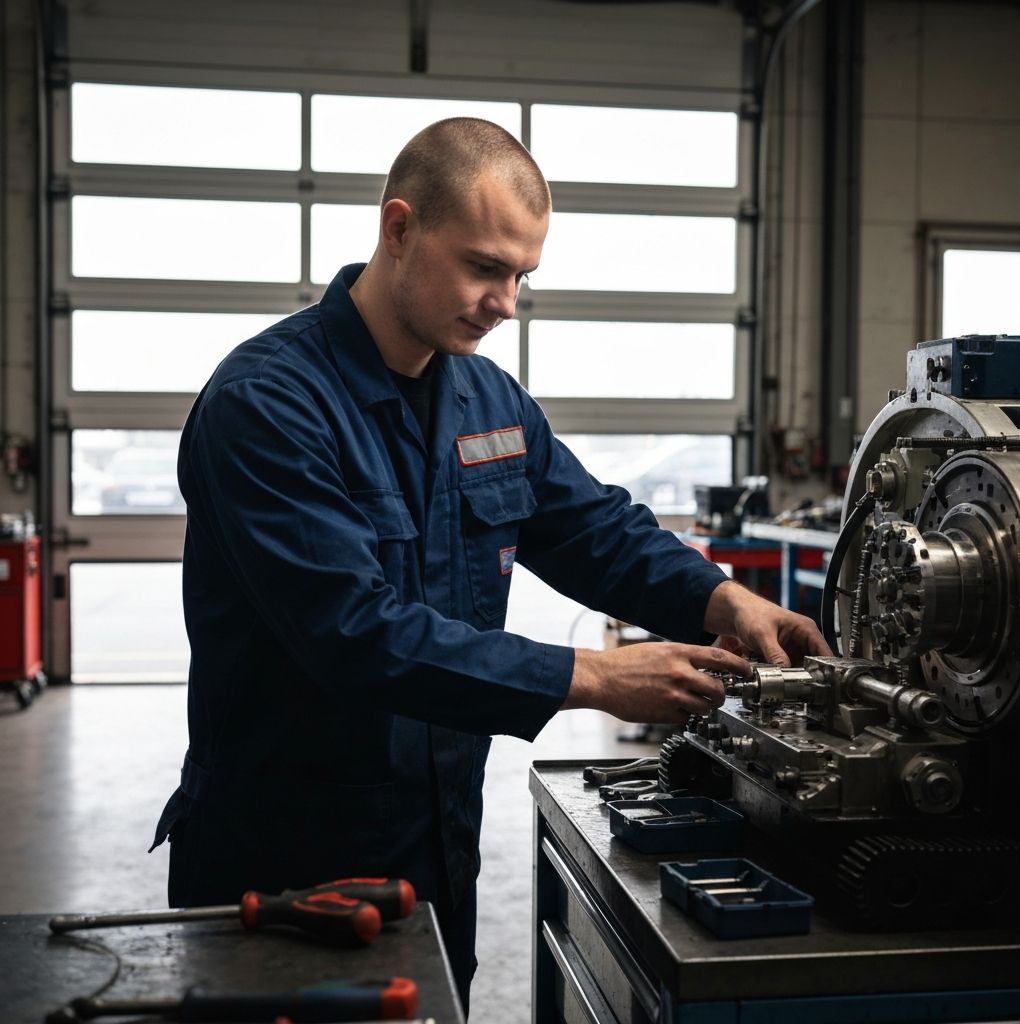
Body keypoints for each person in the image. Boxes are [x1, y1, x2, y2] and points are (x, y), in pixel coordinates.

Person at [151, 117, 829, 1013]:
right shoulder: (268, 405)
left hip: (433, 845)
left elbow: (594, 529)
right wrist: (588, 675)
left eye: (520, 276)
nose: (504, 300)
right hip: (283, 860)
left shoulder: (485, 398)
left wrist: (721, 598)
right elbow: (354, 634)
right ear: (398, 230)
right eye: (482, 266)